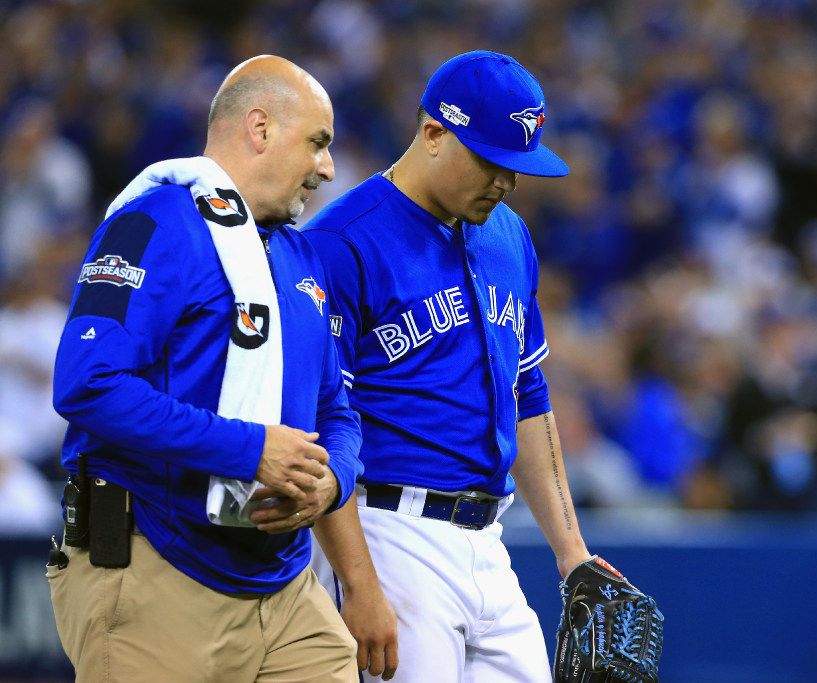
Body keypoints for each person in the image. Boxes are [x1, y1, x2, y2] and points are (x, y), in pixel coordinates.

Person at [49, 55, 364, 682]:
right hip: (157, 571)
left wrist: (332, 482)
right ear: (260, 128)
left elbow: (336, 409)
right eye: (319, 143)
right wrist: (249, 450)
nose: (328, 168)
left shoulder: (302, 255)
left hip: (286, 587)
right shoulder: (154, 223)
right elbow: (87, 383)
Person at [305, 50, 595, 682]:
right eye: (491, 161)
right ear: (434, 132)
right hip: (388, 532)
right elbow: (319, 423)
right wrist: (358, 583)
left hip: (490, 542)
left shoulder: (508, 234)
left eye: (517, 166)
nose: (506, 181)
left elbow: (529, 395)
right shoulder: (341, 241)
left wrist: (572, 553)